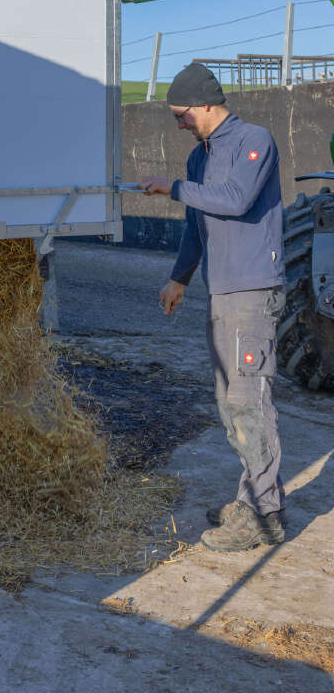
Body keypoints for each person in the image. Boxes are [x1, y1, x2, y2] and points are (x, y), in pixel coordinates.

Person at [139, 62, 286, 552]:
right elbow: (195, 224)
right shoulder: (198, 159)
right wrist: (179, 278)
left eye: (181, 115)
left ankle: (265, 516)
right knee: (229, 402)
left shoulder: (255, 140)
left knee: (249, 401)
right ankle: (250, 500)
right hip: (221, 291)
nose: (178, 124)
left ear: (205, 103)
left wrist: (173, 187)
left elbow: (236, 199)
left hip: (252, 289)